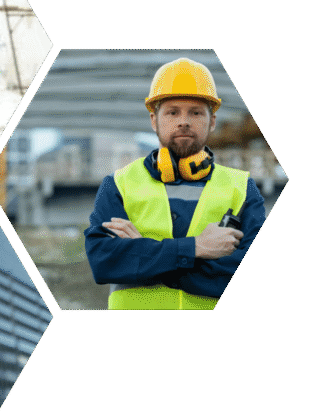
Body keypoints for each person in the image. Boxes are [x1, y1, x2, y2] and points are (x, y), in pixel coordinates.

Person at [84, 58, 266, 310]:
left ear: (212, 121)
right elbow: (104, 262)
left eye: (196, 112)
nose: (184, 121)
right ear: (153, 120)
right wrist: (197, 247)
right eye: (172, 112)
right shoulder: (119, 184)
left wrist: (143, 256)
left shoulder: (242, 188)